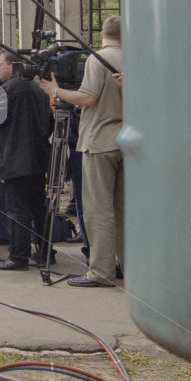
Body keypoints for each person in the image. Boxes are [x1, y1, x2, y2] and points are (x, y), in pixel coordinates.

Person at [40, 15, 123, 287]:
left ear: (101, 34)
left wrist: (56, 91)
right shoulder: (137, 58)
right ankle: (126, 264)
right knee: (123, 210)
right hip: (128, 141)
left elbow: (88, 98)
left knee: (99, 210)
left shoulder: (97, 59)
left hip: (100, 140)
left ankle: (101, 271)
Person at [0, 52, 55, 271]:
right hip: (37, 157)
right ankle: (46, 253)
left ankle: (18, 256)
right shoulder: (38, 89)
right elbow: (50, 123)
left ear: (13, 65)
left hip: (14, 158)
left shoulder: (9, 89)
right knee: (38, 206)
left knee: (17, 209)